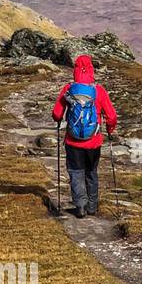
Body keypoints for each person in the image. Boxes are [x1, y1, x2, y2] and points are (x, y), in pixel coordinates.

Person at [52, 55, 118, 218]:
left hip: (72, 141)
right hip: (93, 142)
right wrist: (110, 129)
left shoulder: (69, 88)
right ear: (91, 70)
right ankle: (92, 206)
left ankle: (80, 206)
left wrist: (60, 120)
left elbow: (56, 113)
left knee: (76, 172)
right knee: (91, 172)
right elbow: (112, 116)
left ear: (75, 69)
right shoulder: (98, 90)